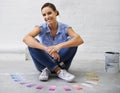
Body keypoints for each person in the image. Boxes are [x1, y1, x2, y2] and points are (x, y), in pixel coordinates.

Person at [23, 2, 84, 82]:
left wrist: (58, 46)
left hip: (62, 62)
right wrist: (47, 49)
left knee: (73, 42)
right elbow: (26, 38)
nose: (47, 17)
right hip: (43, 64)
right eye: (44, 15)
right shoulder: (41, 27)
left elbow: (79, 40)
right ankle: (58, 71)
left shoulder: (65, 28)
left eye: (49, 13)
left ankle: (49, 68)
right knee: (31, 43)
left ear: (55, 12)